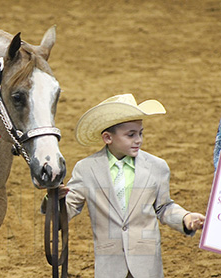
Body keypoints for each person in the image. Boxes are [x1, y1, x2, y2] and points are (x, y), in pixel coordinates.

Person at [54, 94, 205, 278]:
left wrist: (185, 218)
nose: (138, 140)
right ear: (107, 137)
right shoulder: (86, 169)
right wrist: (54, 199)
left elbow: (164, 207)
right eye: (131, 135)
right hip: (109, 264)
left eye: (140, 133)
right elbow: (67, 209)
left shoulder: (157, 167)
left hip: (146, 263)